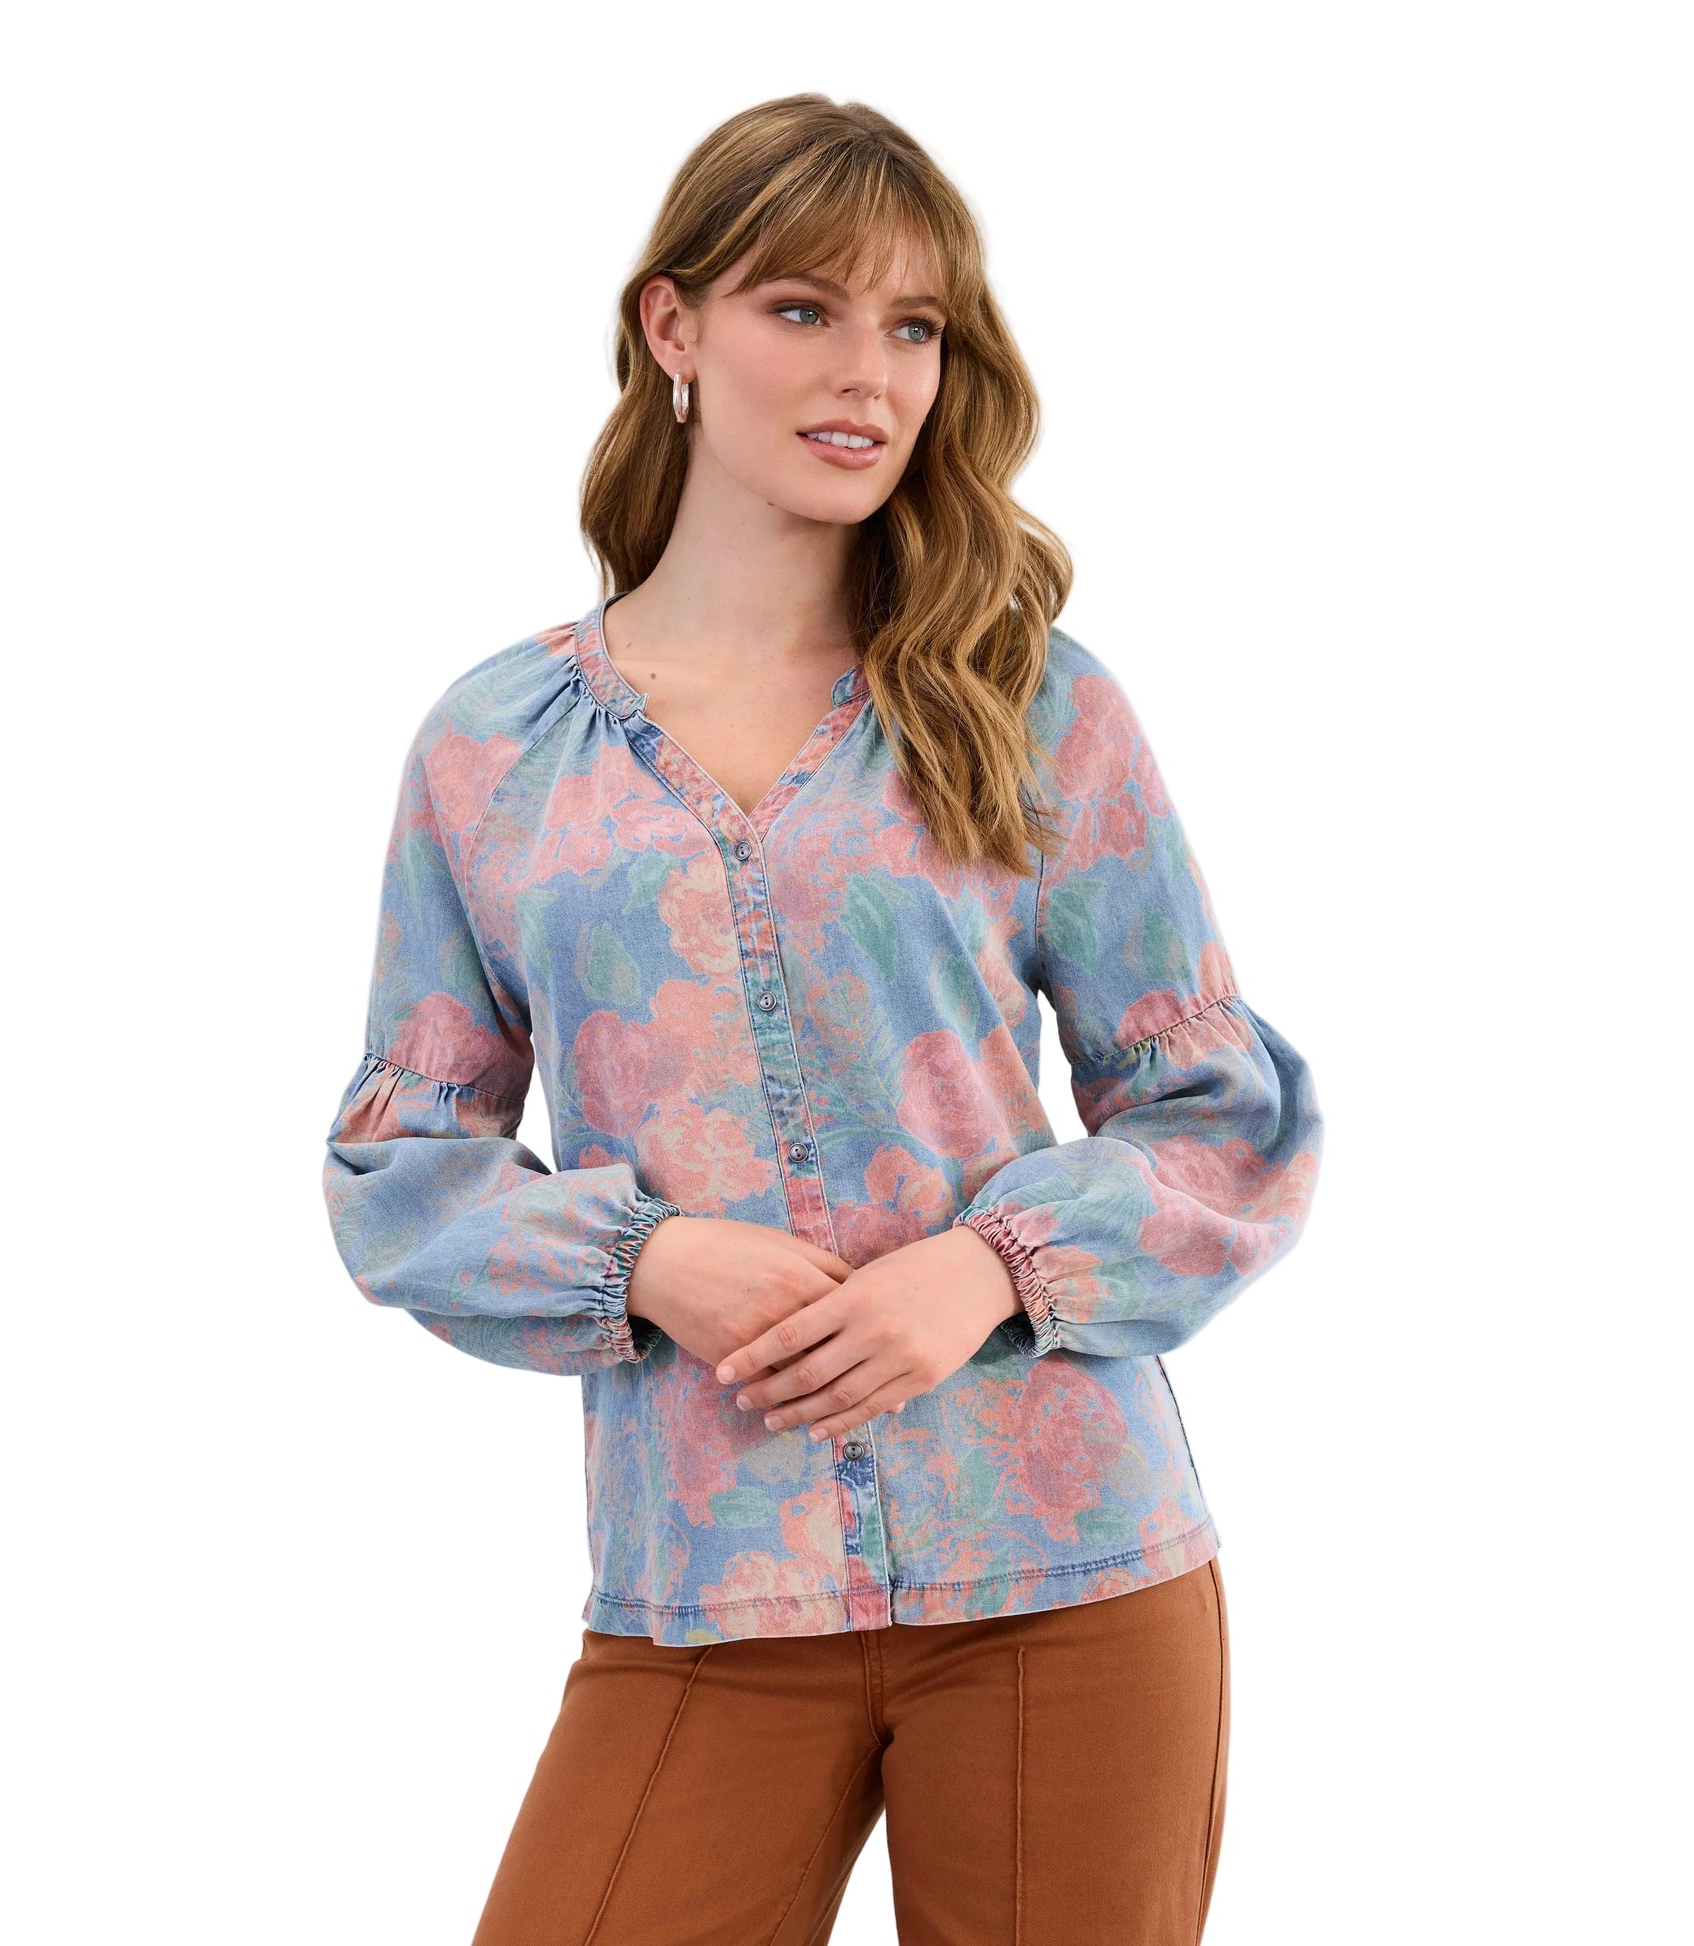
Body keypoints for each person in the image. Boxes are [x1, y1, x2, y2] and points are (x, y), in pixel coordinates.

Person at [321, 92, 1323, 1946]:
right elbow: (400, 1166)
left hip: (1064, 1566)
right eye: (804, 308)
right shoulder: (493, 751)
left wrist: (987, 1270)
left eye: (913, 326)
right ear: (673, 326)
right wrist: (646, 1258)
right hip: (706, 1581)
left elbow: (1218, 1116)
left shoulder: (1030, 705)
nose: (870, 372)